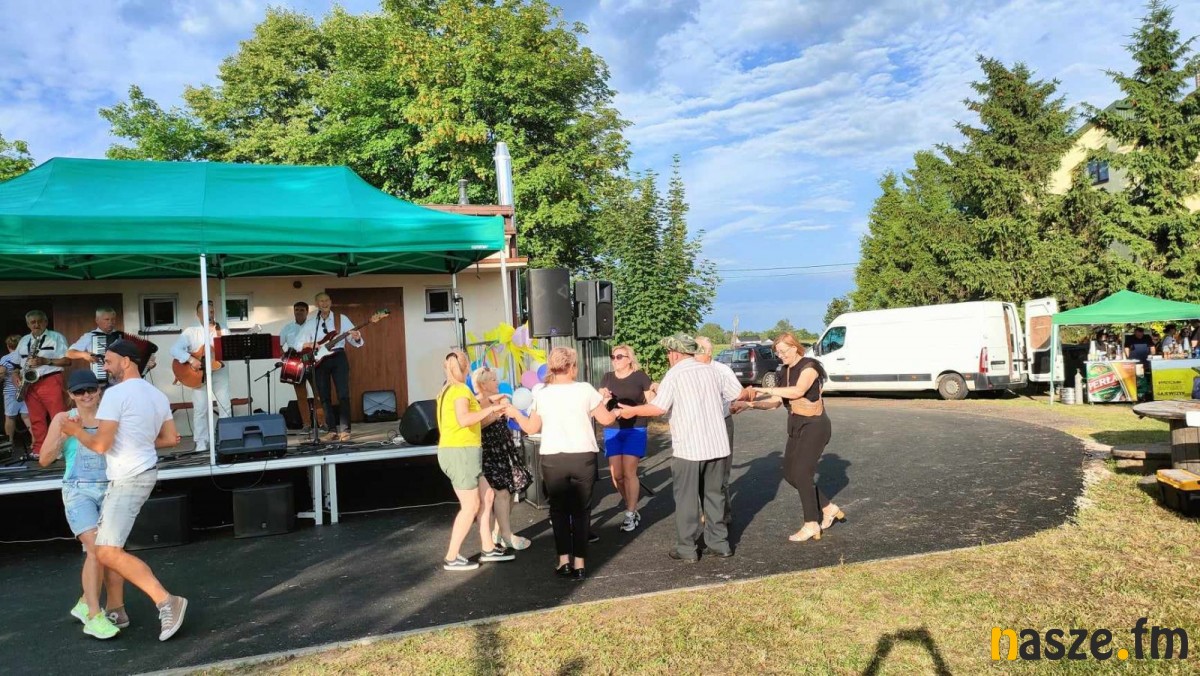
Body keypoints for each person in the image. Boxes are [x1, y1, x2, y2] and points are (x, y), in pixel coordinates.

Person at [61, 339, 188, 641]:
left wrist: (75, 430)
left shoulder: (115, 394)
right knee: (110, 548)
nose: (104, 366)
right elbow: (170, 438)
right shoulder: (157, 395)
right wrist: (135, 440)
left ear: (126, 361)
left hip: (127, 478)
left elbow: (100, 445)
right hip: (144, 472)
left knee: (106, 551)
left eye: (108, 360)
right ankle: (116, 609)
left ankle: (166, 601)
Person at [617, 334, 742, 562]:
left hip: (689, 447)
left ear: (675, 354)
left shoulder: (675, 374)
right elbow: (736, 395)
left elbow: (658, 407)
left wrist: (631, 411)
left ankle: (687, 547)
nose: (667, 357)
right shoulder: (713, 371)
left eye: (668, 353)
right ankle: (719, 544)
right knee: (714, 495)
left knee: (686, 498)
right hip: (717, 444)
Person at [507, 347, 615, 580]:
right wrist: (612, 407)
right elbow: (606, 419)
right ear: (573, 367)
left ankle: (563, 561)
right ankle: (580, 564)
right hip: (582, 456)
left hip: (553, 457)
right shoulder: (585, 389)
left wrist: (515, 413)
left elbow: (531, 428)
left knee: (558, 510)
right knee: (581, 510)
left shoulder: (542, 393)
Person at [39, 370, 126, 639]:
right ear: (71, 395)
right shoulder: (62, 419)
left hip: (110, 487)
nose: (86, 395)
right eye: (79, 391)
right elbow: (44, 459)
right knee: (96, 548)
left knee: (111, 551)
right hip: (78, 490)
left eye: (90, 389)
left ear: (99, 390)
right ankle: (94, 616)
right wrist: (64, 436)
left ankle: (89, 603)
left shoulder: (109, 416)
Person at [737, 332, 843, 543]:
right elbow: (775, 403)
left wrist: (758, 388)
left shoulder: (810, 367)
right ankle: (828, 508)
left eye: (783, 351)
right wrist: (749, 404)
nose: (780, 355)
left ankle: (811, 524)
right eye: (777, 352)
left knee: (802, 474)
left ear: (795, 347)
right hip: (795, 425)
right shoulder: (783, 371)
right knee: (790, 473)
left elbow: (797, 392)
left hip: (815, 426)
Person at [437, 349, 515, 571]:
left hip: (464, 451)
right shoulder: (460, 390)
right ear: (466, 367)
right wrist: (493, 408)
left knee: (487, 495)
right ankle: (452, 557)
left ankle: (488, 548)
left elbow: (471, 413)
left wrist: (490, 403)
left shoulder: (448, 389)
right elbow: (464, 419)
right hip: (460, 452)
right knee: (470, 506)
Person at [471, 366, 532, 551]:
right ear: (483, 384)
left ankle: (499, 532)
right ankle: (506, 535)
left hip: (504, 449)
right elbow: (478, 424)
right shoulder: (477, 401)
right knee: (502, 493)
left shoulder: (498, 399)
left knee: (512, 490)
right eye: (493, 380)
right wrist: (497, 412)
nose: (497, 382)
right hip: (490, 453)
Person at [597, 345, 655, 532]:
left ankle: (630, 512)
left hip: (635, 428)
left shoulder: (640, 376)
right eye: (613, 356)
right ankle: (631, 504)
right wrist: (603, 398)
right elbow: (600, 404)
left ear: (629, 359)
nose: (615, 360)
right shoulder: (607, 377)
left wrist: (653, 391)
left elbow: (652, 404)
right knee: (617, 475)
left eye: (619, 356)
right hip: (613, 429)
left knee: (629, 473)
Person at [298, 293, 363, 442]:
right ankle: (331, 430)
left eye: (326, 300)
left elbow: (354, 340)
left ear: (331, 302)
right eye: (321, 301)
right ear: (317, 304)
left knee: (343, 394)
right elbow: (297, 343)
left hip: (338, 357)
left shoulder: (341, 319)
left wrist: (357, 337)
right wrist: (310, 344)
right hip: (320, 360)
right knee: (324, 396)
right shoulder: (311, 323)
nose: (324, 303)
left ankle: (345, 430)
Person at [171, 300, 231, 453]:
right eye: (204, 312)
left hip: (219, 372)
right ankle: (201, 442)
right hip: (198, 375)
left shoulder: (222, 330)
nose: (209, 315)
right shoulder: (191, 331)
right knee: (200, 408)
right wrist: (191, 360)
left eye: (211, 311)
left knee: (225, 405)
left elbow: (229, 349)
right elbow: (174, 349)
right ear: (197, 315)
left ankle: (226, 439)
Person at [694, 336, 741, 526]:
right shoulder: (690, 370)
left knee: (721, 474)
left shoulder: (722, 370)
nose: (694, 354)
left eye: (698, 350)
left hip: (721, 424)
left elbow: (737, 393)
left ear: (709, 352)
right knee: (699, 473)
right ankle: (707, 512)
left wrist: (735, 404)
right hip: (697, 426)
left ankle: (723, 515)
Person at [17, 310, 70, 460]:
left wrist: (45, 361)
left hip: (50, 379)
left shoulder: (56, 337)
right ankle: (39, 449)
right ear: (28, 324)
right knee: (36, 418)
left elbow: (67, 361)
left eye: (39, 321)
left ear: (46, 322)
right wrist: (16, 377)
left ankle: (61, 448)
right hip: (29, 383)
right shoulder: (23, 341)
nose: (36, 325)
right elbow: (16, 364)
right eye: (32, 322)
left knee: (58, 416)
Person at [66, 306, 157, 385]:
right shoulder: (89, 336)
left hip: (122, 381)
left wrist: (146, 365)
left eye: (113, 319)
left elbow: (133, 359)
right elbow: (69, 353)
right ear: (97, 320)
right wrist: (83, 354)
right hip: (101, 381)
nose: (111, 322)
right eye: (107, 319)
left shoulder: (122, 336)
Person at [278, 301, 325, 434]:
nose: (299, 312)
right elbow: (279, 345)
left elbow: (320, 343)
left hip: (312, 361)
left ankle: (322, 424)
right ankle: (306, 425)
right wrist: (284, 358)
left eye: (302, 310)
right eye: (296, 310)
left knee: (318, 394)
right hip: (294, 364)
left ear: (307, 311)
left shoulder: (313, 326)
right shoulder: (287, 328)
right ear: (294, 311)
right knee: (301, 396)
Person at [0, 334, 32, 448]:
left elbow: (1, 373)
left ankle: (9, 444)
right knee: (27, 416)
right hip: (27, 390)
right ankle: (36, 441)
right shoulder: (27, 356)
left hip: (10, 392)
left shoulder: (6, 358)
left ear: (8, 346)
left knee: (10, 417)